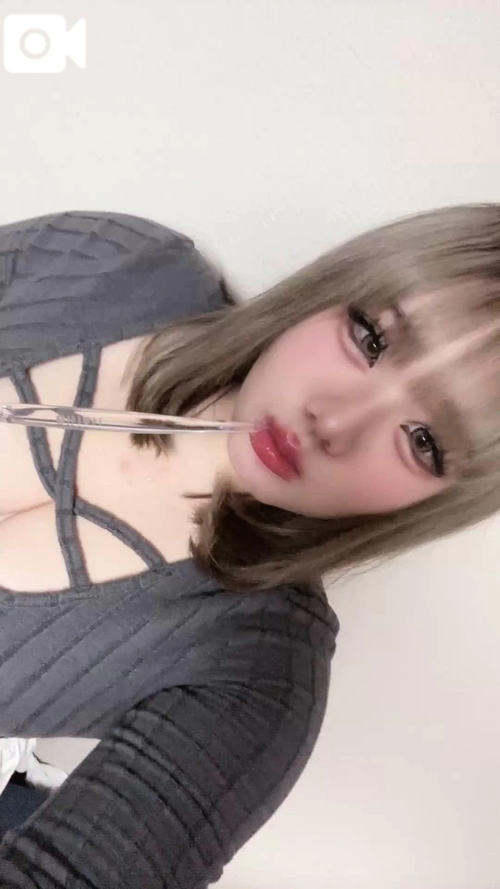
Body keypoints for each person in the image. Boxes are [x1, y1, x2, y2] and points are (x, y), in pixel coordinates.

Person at [0, 203, 499, 886]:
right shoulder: (108, 263)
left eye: (425, 442)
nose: (334, 421)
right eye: (370, 337)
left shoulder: (256, 673)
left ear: (439, 501)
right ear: (334, 287)